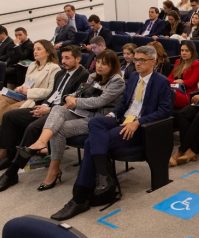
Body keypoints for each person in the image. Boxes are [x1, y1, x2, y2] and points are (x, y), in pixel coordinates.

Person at [50, 46, 172, 221]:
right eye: (135, 59)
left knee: (90, 143)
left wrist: (138, 122)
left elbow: (165, 111)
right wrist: (112, 114)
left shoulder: (161, 82)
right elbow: (123, 104)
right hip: (122, 120)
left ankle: (79, 198)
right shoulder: (132, 78)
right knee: (96, 121)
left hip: (140, 127)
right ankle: (103, 175)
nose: (137, 63)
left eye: (141, 60)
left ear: (153, 61)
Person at [0, 50, 124, 191]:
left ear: (113, 66)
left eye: (104, 64)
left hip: (97, 118)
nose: (99, 66)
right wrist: (68, 98)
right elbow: (76, 92)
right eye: (98, 62)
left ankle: (53, 169)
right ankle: (41, 142)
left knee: (57, 129)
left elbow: (99, 101)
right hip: (80, 111)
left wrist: (74, 101)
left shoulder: (117, 81)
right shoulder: (93, 76)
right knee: (57, 109)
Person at [0, 45, 88, 172]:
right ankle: (9, 155)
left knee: (32, 127)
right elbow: (53, 93)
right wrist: (45, 105)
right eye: (62, 58)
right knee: (10, 116)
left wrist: (49, 110)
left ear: (78, 59)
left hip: (60, 112)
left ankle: (13, 170)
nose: (63, 61)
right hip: (47, 107)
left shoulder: (83, 75)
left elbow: (73, 102)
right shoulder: (61, 73)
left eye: (67, 58)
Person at [0, 40, 61, 121]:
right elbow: (26, 83)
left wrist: (28, 91)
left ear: (48, 52)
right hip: (22, 95)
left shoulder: (54, 68)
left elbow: (50, 91)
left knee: (10, 108)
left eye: (39, 49)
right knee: (1, 99)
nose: (35, 52)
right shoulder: (32, 65)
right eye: (34, 49)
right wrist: (20, 88)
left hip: (35, 100)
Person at [168, 41, 199, 109]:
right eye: (182, 50)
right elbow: (168, 78)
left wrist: (182, 82)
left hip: (187, 94)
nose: (184, 53)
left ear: (192, 52)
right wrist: (176, 83)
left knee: (167, 92)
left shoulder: (197, 64)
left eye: (187, 51)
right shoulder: (178, 62)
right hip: (174, 89)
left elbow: (191, 82)